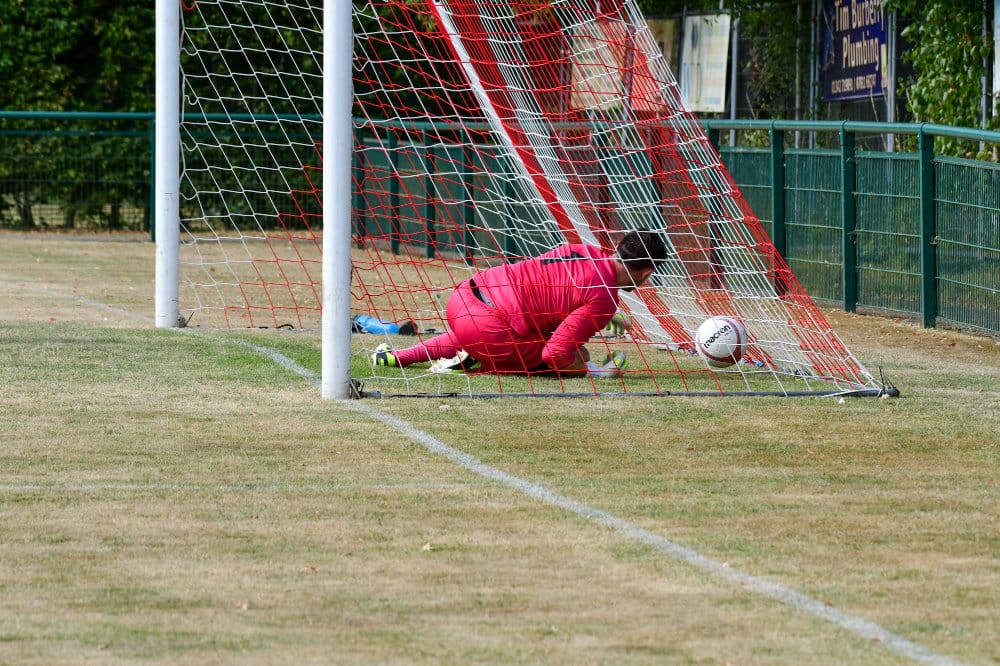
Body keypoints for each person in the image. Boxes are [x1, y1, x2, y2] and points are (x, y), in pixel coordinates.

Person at [371, 229, 668, 377]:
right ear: (646, 272)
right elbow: (555, 354)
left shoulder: (584, 249)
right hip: (490, 329)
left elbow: (555, 288)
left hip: (465, 296)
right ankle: (471, 362)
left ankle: (396, 357)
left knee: (482, 328)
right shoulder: (604, 298)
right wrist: (592, 371)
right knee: (577, 354)